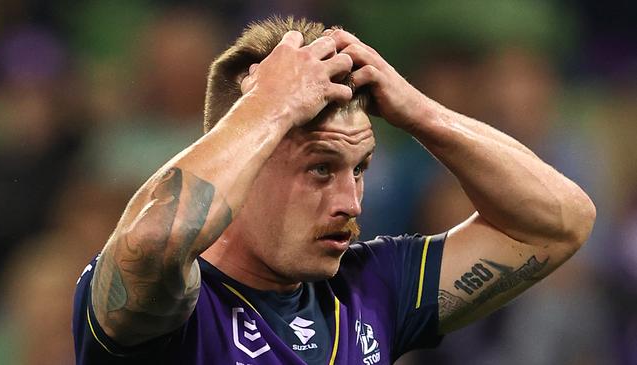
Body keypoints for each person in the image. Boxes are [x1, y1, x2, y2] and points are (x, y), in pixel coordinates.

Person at [72, 16, 596, 364]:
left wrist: (417, 110)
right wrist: (267, 108)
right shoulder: (175, 306)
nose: (351, 203)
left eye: (360, 167)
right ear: (246, 163)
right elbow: (151, 243)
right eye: (321, 169)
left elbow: (559, 222)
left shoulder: (372, 289)